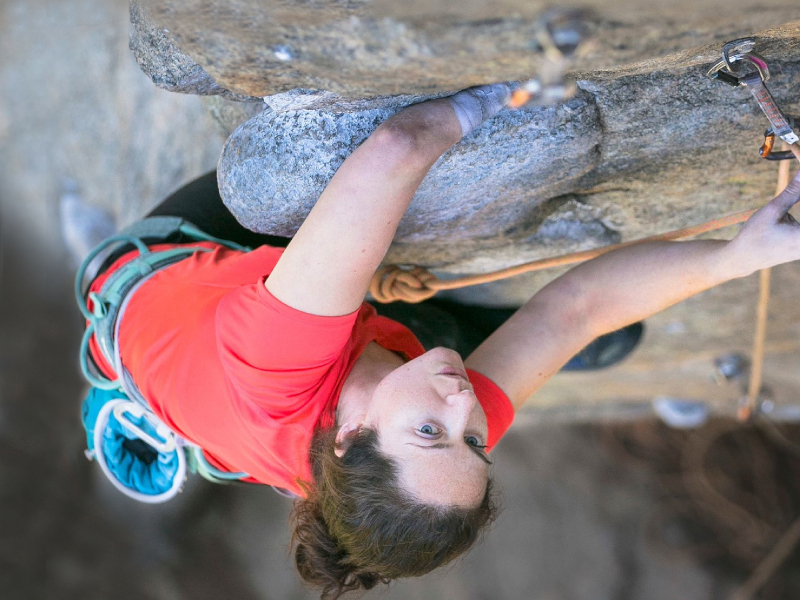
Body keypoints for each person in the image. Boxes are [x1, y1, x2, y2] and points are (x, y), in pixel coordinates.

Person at [81, 84, 800, 599]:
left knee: (286, 184)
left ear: (346, 435)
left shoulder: (277, 363)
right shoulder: (410, 451)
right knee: (595, 339)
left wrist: (509, 86)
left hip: (161, 268)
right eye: (476, 444)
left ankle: (446, 311)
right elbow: (576, 310)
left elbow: (401, 143)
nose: (464, 408)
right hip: (326, 359)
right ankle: (451, 316)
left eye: (434, 431)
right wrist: (737, 258)